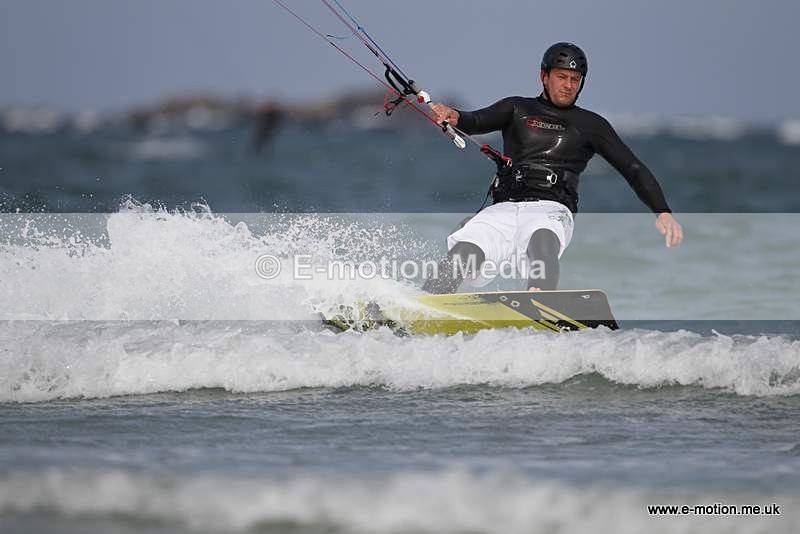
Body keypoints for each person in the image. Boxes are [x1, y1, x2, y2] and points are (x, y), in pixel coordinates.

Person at [421, 42, 683, 294]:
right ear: (544, 76)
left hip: (552, 209)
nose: (569, 85)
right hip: (504, 208)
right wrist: (452, 114)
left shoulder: (592, 124)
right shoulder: (516, 108)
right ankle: (426, 304)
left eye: (575, 79)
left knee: (542, 243)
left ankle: (539, 300)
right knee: (466, 251)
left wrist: (662, 211)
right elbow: (473, 120)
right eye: (562, 77)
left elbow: (632, 167)